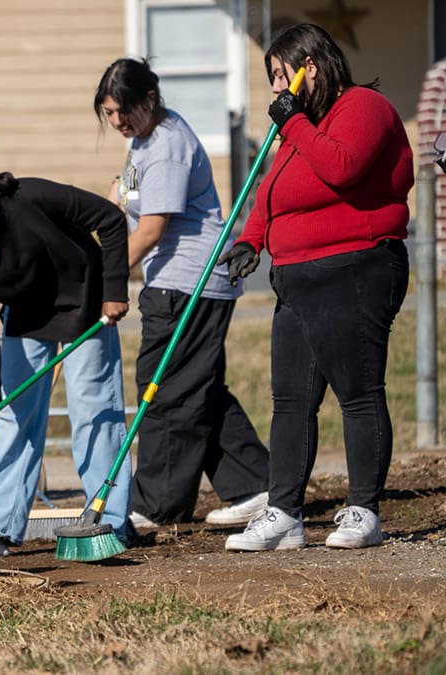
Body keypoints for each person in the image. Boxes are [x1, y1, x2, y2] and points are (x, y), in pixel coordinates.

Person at [219, 23, 412, 552]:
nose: (277, 88)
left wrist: (296, 122)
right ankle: (283, 514)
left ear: (313, 65)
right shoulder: (300, 127)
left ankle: (363, 511)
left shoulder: (362, 107)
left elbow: (342, 168)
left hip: (354, 267)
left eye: (283, 74)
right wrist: (251, 240)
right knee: (291, 400)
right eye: (272, 78)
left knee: (357, 393)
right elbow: (272, 188)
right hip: (295, 276)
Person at [0, 158, 131, 558]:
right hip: (27, 314)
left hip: (84, 302)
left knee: (92, 409)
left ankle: (109, 519)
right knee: (15, 414)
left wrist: (114, 290)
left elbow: (110, 219)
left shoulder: (29, 196)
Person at [94, 58, 270, 529]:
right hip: (175, 281)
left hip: (188, 283)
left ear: (149, 99)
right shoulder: (145, 140)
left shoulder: (168, 144)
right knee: (197, 386)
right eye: (108, 113)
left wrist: (107, 281)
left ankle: (158, 505)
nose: (116, 122)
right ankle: (256, 484)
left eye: (122, 111)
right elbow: (125, 194)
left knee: (166, 389)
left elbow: (152, 229)